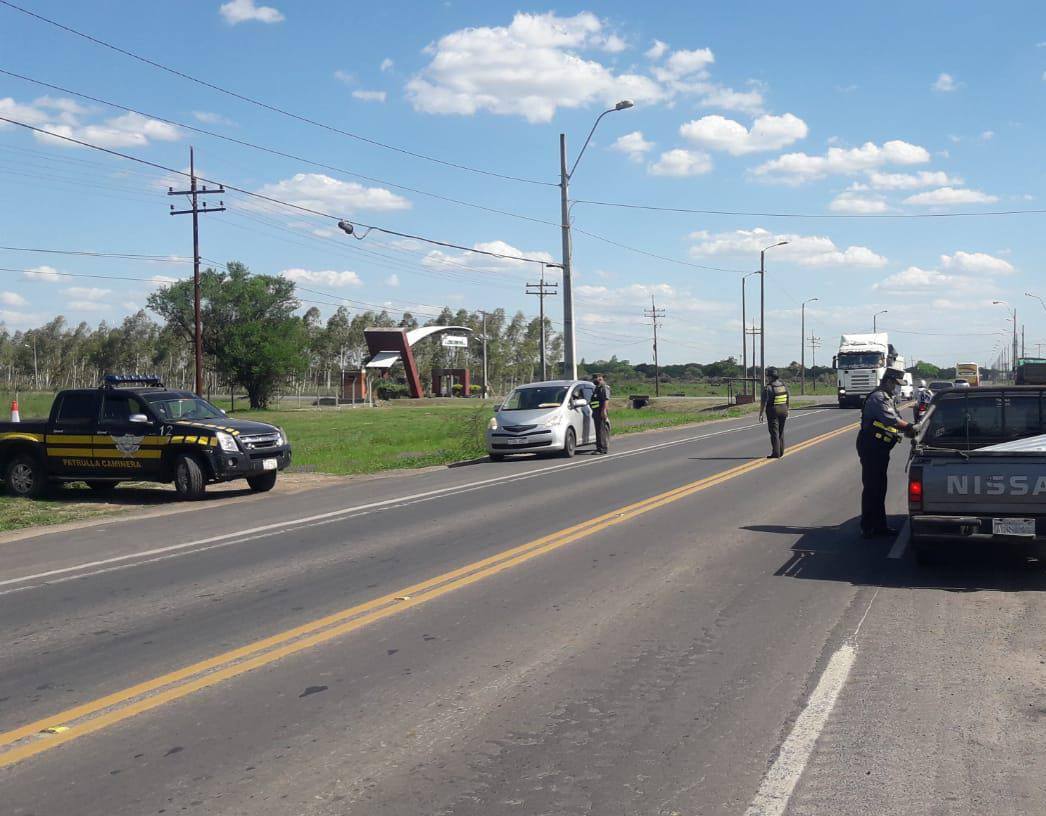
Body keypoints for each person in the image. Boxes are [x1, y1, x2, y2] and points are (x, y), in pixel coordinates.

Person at [857, 365, 918, 538]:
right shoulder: (878, 398)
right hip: (871, 446)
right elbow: (891, 420)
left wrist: (908, 428)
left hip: (879, 446)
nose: (897, 387)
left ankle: (879, 525)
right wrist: (911, 428)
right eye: (895, 384)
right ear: (888, 381)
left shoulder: (886, 397)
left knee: (879, 486)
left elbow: (896, 417)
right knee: (872, 487)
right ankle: (868, 527)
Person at [759, 366, 790, 458]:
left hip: (773, 411)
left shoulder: (767, 388)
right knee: (781, 431)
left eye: (767, 376)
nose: (767, 378)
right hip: (784, 409)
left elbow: (763, 402)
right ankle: (781, 451)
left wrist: (761, 413)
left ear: (770, 377)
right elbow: (787, 398)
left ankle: (776, 453)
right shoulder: (783, 386)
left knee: (774, 432)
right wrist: (788, 409)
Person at [591, 374, 611, 454]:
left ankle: (602, 449)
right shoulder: (597, 388)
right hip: (596, 411)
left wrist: (604, 411)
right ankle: (599, 448)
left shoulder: (604, 387)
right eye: (594, 378)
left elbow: (606, 400)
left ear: (601, 378)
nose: (595, 380)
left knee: (601, 430)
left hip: (601, 411)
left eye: (597, 378)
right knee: (598, 430)